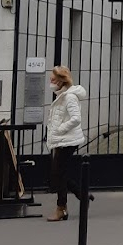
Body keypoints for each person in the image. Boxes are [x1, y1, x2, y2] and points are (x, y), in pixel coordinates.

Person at [45, 65, 88, 221]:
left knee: (58, 174)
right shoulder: (63, 95)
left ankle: (61, 208)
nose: (51, 82)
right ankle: (82, 196)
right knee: (58, 174)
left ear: (61, 81)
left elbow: (76, 118)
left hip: (67, 140)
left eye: (53, 79)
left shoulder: (69, 97)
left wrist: (59, 130)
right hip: (63, 140)